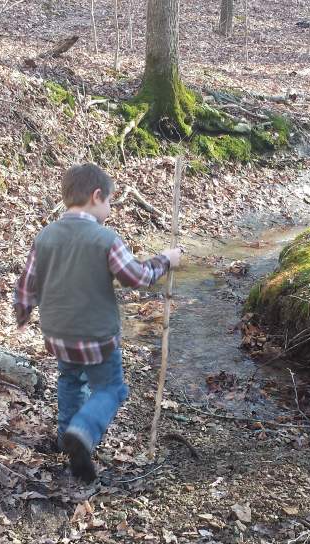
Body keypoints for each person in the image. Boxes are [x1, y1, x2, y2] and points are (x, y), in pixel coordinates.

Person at [14, 163, 181, 482]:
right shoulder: (104, 238)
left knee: (70, 379)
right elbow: (137, 277)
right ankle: (82, 432)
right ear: (96, 196)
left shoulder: (45, 236)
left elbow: (27, 284)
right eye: (110, 203)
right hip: (96, 336)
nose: (109, 209)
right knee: (111, 388)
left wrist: (23, 313)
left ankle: (67, 439)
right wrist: (166, 260)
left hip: (57, 334)